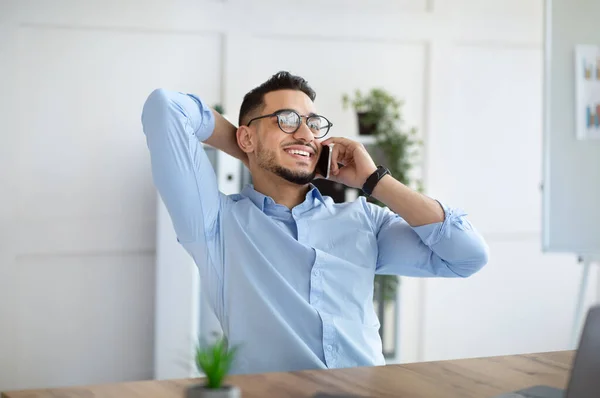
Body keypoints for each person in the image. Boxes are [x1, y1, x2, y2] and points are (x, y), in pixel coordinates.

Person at [141, 71, 489, 375]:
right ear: (247, 136)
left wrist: (374, 180)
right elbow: (166, 108)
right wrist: (253, 152)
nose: (307, 134)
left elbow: (466, 255)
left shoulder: (364, 220)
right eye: (287, 119)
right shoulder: (216, 224)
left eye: (312, 124)